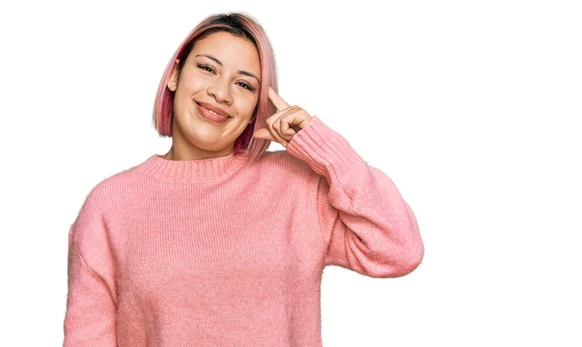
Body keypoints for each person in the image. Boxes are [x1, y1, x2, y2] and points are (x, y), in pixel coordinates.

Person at [62, 11, 425, 347]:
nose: (220, 94)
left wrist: (322, 146)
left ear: (257, 106)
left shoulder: (295, 186)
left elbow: (399, 249)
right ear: (174, 74)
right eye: (207, 68)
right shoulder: (110, 205)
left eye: (245, 85)